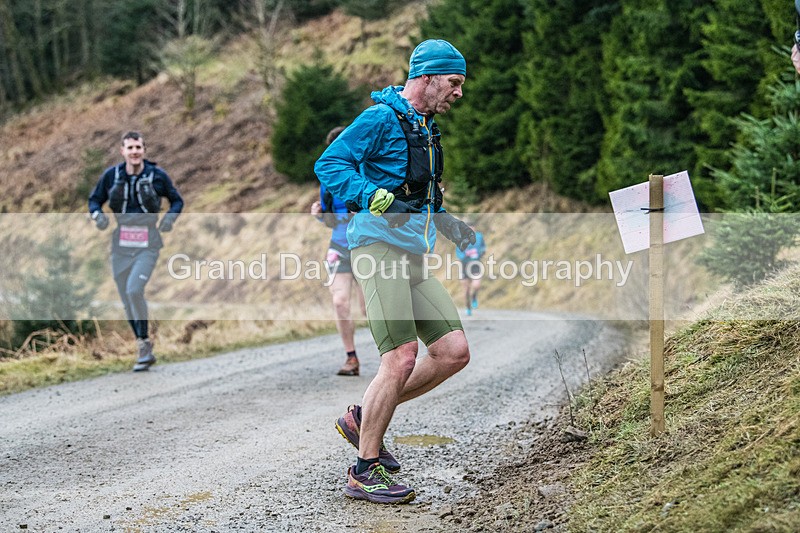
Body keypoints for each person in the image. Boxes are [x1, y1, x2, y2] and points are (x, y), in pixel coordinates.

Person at [314, 39, 476, 504]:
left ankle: (363, 418)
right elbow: (330, 163)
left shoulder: (425, 128)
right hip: (377, 245)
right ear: (427, 77)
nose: (459, 92)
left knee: (453, 351)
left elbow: (420, 193)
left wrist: (448, 223)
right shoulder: (381, 118)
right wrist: (369, 195)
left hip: (413, 253)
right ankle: (365, 470)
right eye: (454, 82)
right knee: (401, 355)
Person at [88, 131, 183, 372]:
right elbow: (94, 200)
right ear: (122, 151)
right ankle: (143, 344)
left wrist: (169, 219)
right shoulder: (111, 176)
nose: (134, 152)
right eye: (130, 148)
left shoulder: (157, 176)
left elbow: (177, 200)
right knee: (126, 299)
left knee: (134, 289)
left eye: (138, 147)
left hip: (148, 244)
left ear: (144, 150)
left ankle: (144, 344)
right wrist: (98, 216)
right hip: (120, 245)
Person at [310, 126, 367, 376]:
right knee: (340, 302)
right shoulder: (328, 180)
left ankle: (393, 358)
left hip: (366, 248)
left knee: (369, 309)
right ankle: (351, 358)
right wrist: (320, 215)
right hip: (339, 247)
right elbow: (331, 219)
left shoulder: (366, 172)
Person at [456, 222, 486, 316]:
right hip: (465, 265)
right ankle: (468, 308)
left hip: (476, 264)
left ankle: (474, 297)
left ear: (474, 228)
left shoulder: (479, 236)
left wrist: (481, 252)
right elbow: (458, 252)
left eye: (472, 228)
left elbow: (483, 247)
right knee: (466, 290)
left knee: (476, 285)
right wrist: (467, 255)